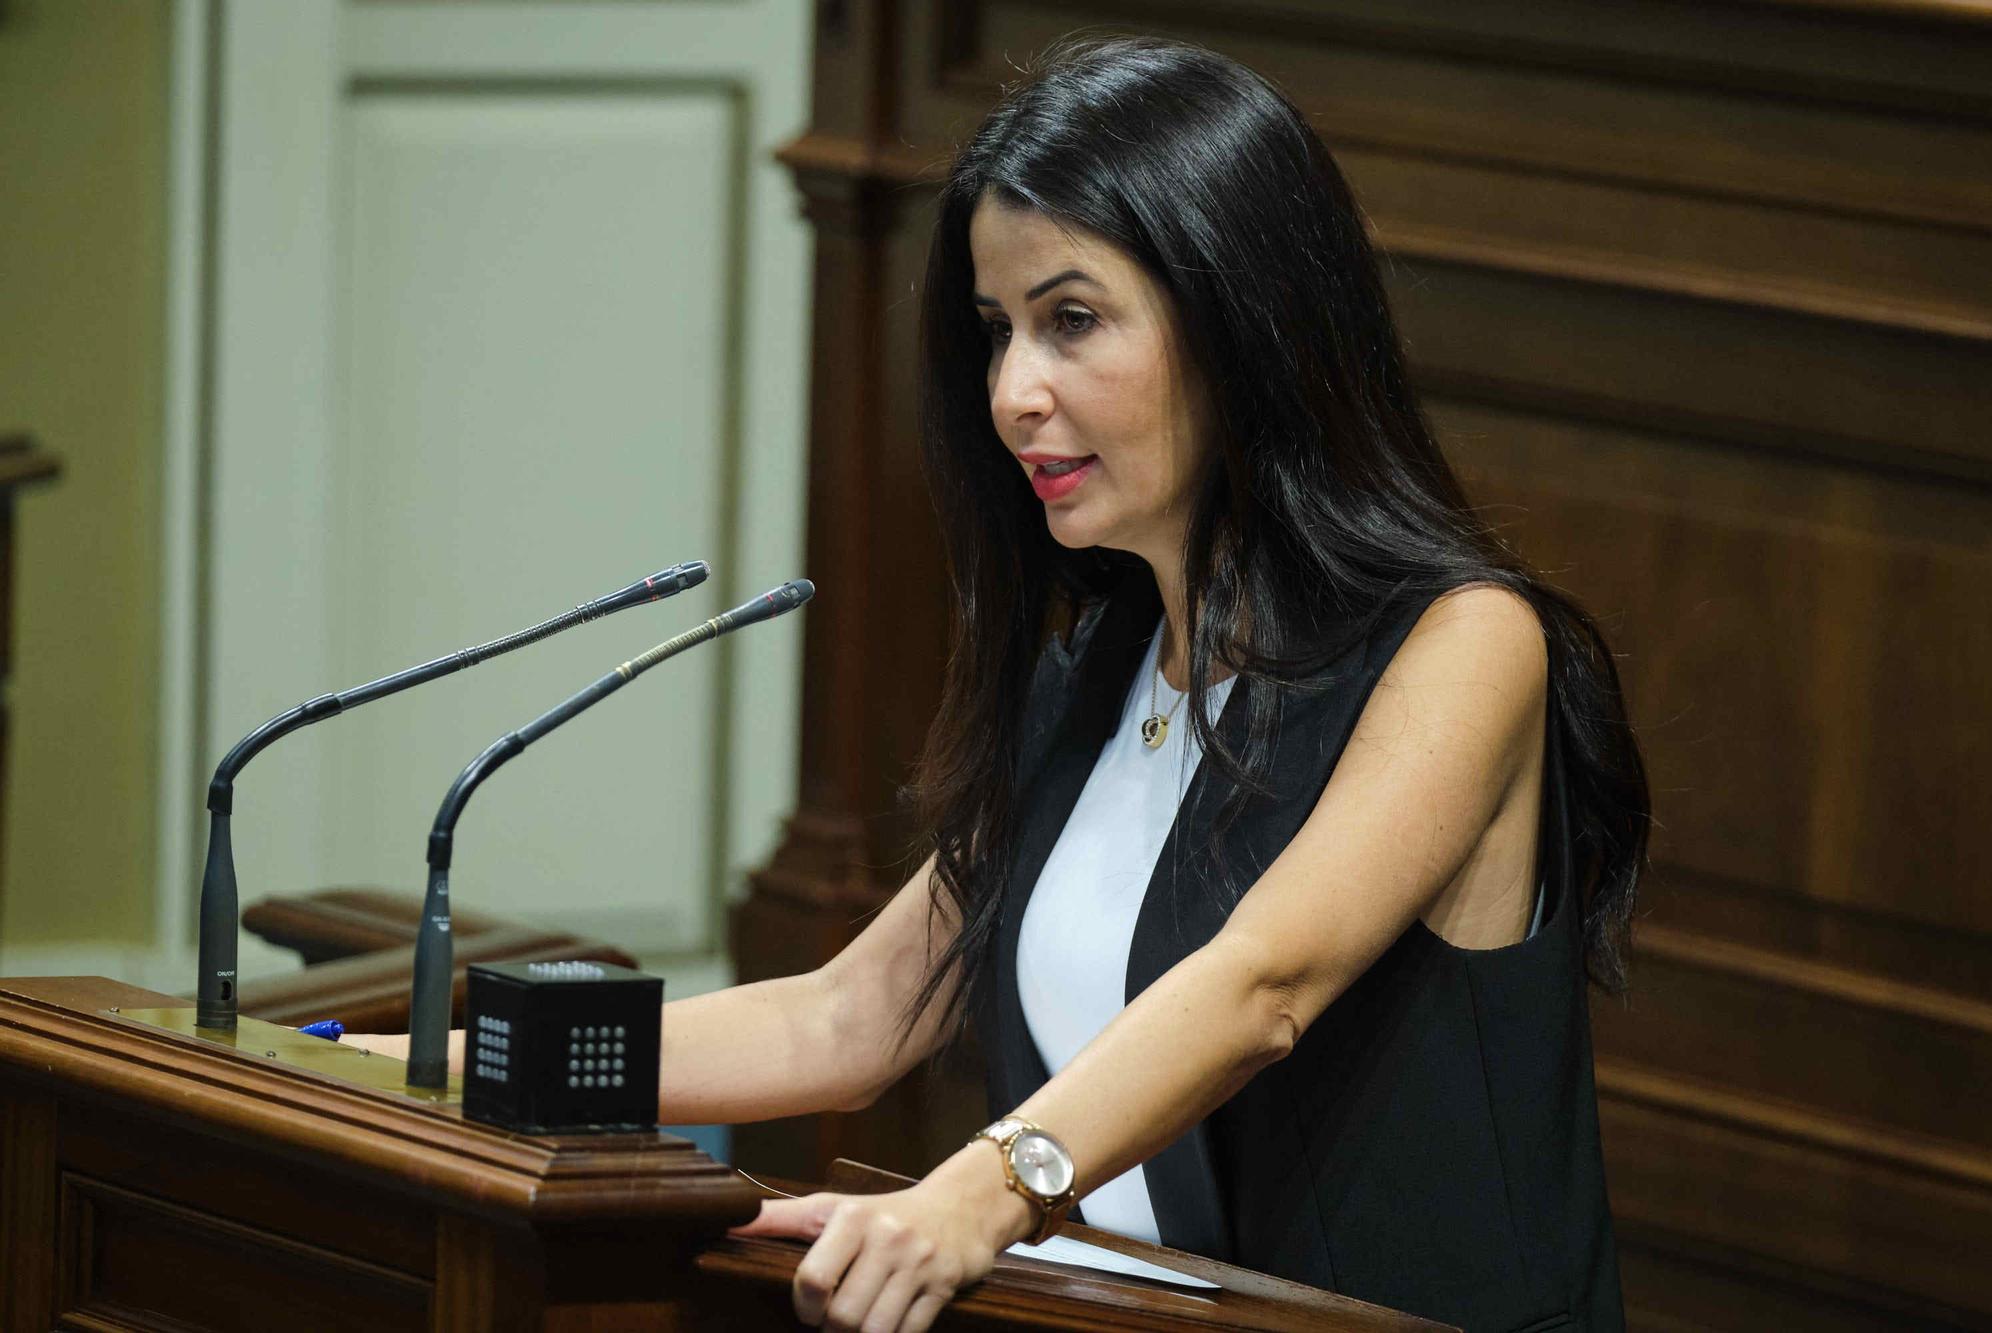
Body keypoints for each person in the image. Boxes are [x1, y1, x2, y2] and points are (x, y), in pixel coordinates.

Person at [353, 34, 1648, 1333]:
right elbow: (845, 1016)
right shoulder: (1098, 669)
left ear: (1244, 322)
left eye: (1071, 320)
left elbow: (1265, 984)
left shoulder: (1465, 644)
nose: (1013, 390)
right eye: (996, 332)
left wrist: (984, 1187)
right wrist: (426, 1073)